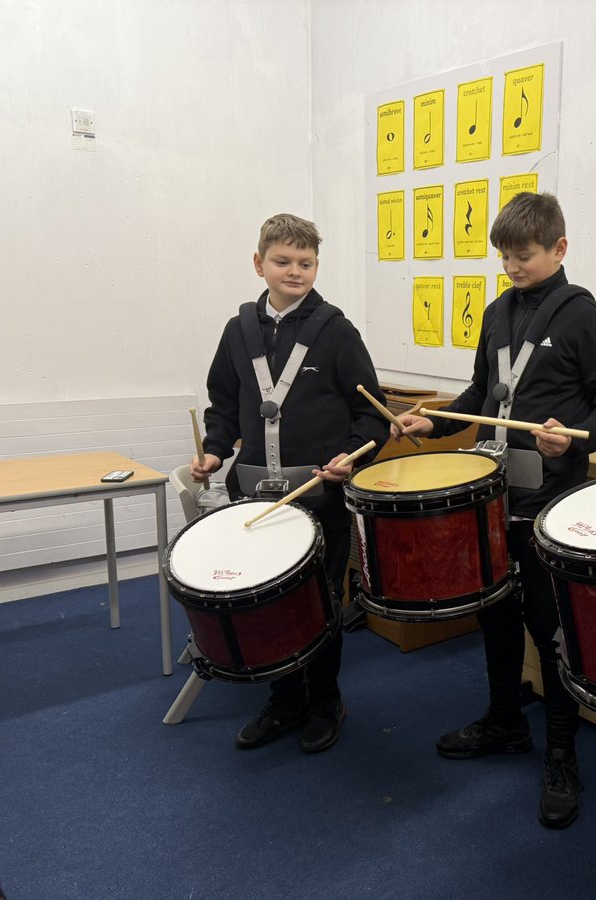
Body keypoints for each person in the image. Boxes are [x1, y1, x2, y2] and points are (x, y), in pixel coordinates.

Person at [392, 192, 596, 828]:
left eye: (523, 255)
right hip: (492, 494)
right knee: (493, 614)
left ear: (559, 248)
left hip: (549, 500)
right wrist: (431, 421)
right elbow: (480, 393)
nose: (512, 266)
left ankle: (561, 751)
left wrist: (572, 433)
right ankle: (503, 721)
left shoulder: (585, 317)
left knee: (550, 628)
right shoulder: (496, 313)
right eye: (504, 256)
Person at [192, 213, 388, 754]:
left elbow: (371, 414)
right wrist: (213, 449)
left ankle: (325, 699)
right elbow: (224, 405)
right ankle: (283, 700)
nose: (294, 271)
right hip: (253, 498)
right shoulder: (238, 332)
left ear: (317, 267)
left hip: (318, 497)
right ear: (259, 264)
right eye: (283, 261)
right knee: (266, 603)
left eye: (305, 263)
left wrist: (352, 455)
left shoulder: (336, 330)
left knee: (321, 600)